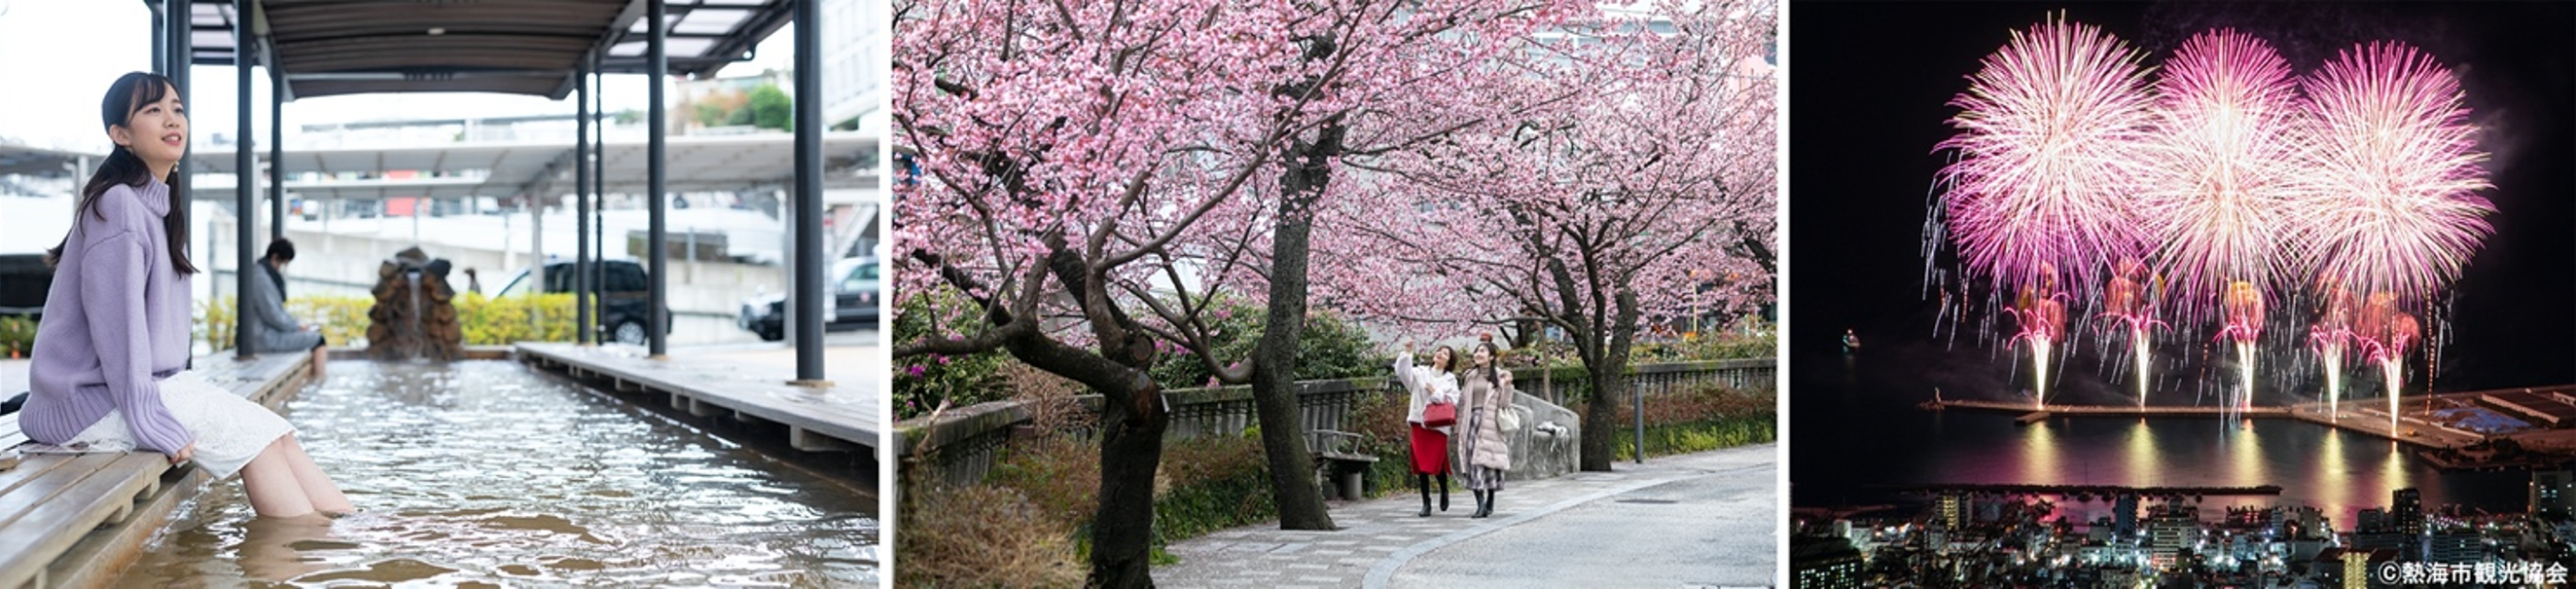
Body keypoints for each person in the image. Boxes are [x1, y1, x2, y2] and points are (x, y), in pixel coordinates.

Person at [18, 72, 351, 519]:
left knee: (277, 432)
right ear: (121, 135)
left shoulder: (159, 207)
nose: (172, 119)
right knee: (259, 446)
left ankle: (351, 532)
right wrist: (147, 418)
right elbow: (119, 332)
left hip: (145, 388)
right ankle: (305, 554)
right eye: (153, 110)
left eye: (177, 108)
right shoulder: (118, 206)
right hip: (88, 403)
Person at [1392, 341, 1460, 517]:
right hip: (1419, 423)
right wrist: (1407, 352)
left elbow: (1452, 401)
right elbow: (1402, 372)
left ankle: (1444, 488)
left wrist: (1434, 392)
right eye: (1439, 351)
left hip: (1438, 427)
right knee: (1422, 464)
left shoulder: (1450, 380)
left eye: (1445, 354)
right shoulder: (1420, 372)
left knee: (1436, 464)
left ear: (1449, 362)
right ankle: (1426, 502)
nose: (1440, 354)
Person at [244, 238, 327, 377]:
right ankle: (320, 381)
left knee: (313, 334)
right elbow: (273, 316)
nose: (281, 268)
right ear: (275, 257)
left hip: (265, 333)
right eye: (282, 263)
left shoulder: (263, 273)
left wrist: (298, 325)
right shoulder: (261, 278)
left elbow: (276, 313)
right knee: (319, 340)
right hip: (264, 338)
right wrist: (297, 327)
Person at [1457, 338, 1515, 518]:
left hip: (1490, 423)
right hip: (1471, 423)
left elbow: (1505, 404)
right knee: (1472, 461)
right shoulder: (1469, 376)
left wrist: (1507, 386)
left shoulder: (1499, 376)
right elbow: (1463, 402)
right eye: (1477, 351)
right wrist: (1458, 425)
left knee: (1488, 462)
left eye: (1482, 351)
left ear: (1491, 356)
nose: (1478, 354)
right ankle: (1480, 504)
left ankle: (1490, 498)